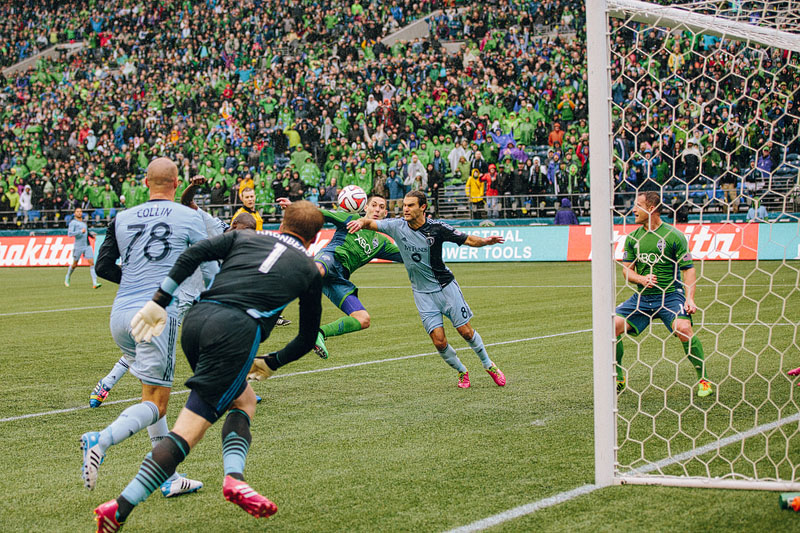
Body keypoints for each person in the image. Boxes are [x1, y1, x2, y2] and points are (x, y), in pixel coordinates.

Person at [91, 201, 325, 531]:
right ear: (315, 238)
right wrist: (272, 362)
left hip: (196, 322)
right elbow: (306, 337)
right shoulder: (310, 270)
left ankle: (235, 478)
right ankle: (120, 507)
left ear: (281, 222)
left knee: (242, 399)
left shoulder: (245, 238)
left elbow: (191, 256)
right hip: (234, 333)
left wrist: (159, 302)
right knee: (188, 431)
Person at [83, 158, 214, 498]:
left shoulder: (122, 217)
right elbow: (209, 264)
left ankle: (167, 477)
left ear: (145, 182)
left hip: (120, 314)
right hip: (157, 312)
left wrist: (132, 282)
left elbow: (103, 264)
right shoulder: (190, 216)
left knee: (148, 390)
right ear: (175, 181)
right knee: (157, 402)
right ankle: (101, 439)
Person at [88, 177, 226, 409]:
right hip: (181, 294)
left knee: (219, 340)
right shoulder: (203, 219)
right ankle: (106, 383)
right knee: (147, 343)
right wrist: (193, 187)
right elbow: (186, 200)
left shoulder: (227, 229)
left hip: (203, 295)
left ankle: (234, 388)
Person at [346, 191, 506, 388]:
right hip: (422, 293)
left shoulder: (438, 228)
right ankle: (462, 371)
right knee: (439, 342)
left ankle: (488, 365)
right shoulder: (397, 226)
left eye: (410, 205)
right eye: (404, 205)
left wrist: (485, 241)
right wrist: (361, 222)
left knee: (465, 331)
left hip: (445, 288)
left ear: (422, 207)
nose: (405, 209)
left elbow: (468, 239)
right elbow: (371, 223)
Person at [278, 194, 402, 358]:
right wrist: (294, 206)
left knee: (363, 319)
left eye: (381, 207)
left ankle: (318, 334)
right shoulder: (351, 218)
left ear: (386, 213)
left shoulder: (381, 242)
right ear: (365, 207)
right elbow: (323, 213)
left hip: (339, 279)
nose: (377, 209)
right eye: (374, 205)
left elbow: (407, 256)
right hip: (330, 259)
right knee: (316, 272)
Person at [614, 191, 712, 397]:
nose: (633, 210)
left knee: (684, 329)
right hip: (642, 298)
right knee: (611, 326)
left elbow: (688, 269)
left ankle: (703, 380)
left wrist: (690, 298)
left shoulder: (674, 236)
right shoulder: (633, 238)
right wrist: (641, 279)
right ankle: (619, 376)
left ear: (651, 209)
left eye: (637, 206)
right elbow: (626, 270)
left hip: (670, 296)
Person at [65, 207, 101, 288]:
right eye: (77, 211)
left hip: (86, 245)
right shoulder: (73, 223)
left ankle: (95, 283)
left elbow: (86, 232)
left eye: (80, 211)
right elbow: (70, 234)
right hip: (78, 246)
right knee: (75, 264)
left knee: (91, 263)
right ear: (74, 213)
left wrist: (92, 236)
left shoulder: (84, 223)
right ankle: (68, 276)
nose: (79, 213)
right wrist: (80, 232)